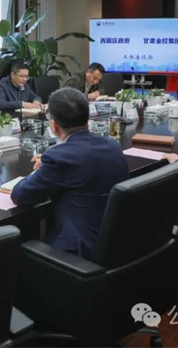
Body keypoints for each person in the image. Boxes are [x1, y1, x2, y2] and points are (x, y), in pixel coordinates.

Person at [11, 88, 129, 260]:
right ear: (87, 119)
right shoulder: (112, 146)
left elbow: (20, 195)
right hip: (117, 246)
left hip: (77, 254)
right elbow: (83, 161)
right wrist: (50, 163)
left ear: (54, 126)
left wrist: (44, 168)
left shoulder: (60, 158)